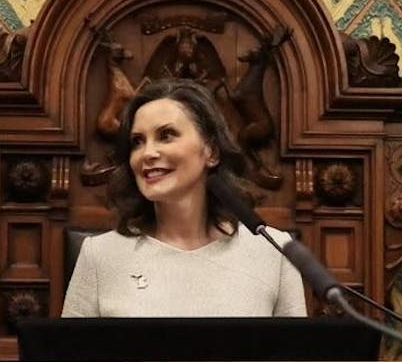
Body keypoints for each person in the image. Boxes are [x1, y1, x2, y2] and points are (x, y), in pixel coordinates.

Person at [62, 78, 307, 318]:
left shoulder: (273, 250)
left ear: (211, 152)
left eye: (166, 135)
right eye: (137, 142)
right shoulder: (99, 255)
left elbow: (296, 347)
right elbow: (69, 347)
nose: (147, 153)